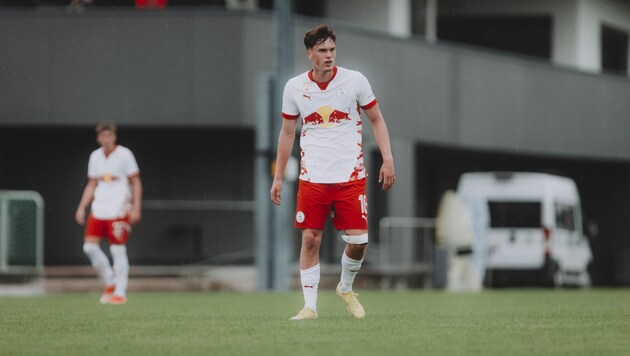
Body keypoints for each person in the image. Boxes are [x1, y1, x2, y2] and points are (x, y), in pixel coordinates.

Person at [270, 24, 396, 320]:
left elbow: (377, 119)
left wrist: (387, 159)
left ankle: (345, 287)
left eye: (332, 50)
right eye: (322, 51)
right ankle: (310, 307)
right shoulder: (295, 87)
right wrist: (278, 177)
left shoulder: (355, 81)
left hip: (350, 176)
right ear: (309, 54)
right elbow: (287, 133)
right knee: (310, 239)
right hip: (312, 177)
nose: (329, 56)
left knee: (359, 241)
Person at [75, 122, 142, 305]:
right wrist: (82, 206)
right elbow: (92, 184)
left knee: (117, 249)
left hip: (119, 207)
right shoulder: (95, 157)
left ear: (114, 136)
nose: (106, 138)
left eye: (109, 135)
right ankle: (110, 280)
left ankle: (120, 292)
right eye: (103, 135)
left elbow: (135, 181)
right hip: (100, 207)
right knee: (89, 247)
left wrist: (136, 207)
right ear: (98, 138)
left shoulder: (125, 155)